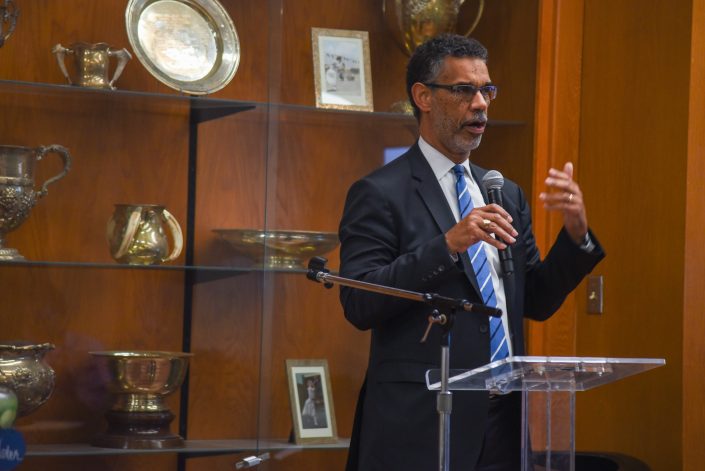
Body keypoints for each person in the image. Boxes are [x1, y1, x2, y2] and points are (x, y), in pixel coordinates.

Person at [338, 34, 605, 471]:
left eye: (487, 90)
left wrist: (576, 237)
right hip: (421, 420)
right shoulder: (380, 192)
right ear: (423, 96)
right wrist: (447, 244)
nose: (480, 103)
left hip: (503, 420)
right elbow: (359, 301)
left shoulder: (505, 192)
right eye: (464, 90)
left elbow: (533, 301)